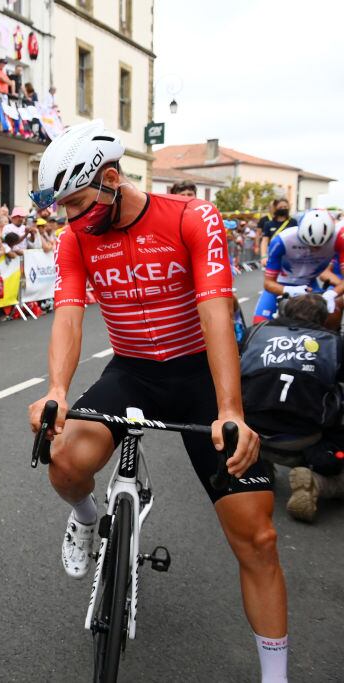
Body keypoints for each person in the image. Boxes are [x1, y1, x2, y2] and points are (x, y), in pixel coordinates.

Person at [27, 120, 288, 682]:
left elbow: (216, 310)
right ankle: (87, 517)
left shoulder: (193, 218)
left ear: (113, 179)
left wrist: (231, 410)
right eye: (62, 210)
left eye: (77, 204)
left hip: (197, 376)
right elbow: (69, 313)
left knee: (259, 537)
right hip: (132, 373)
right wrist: (56, 392)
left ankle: (276, 675)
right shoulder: (77, 239)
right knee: (64, 459)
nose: (70, 221)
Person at [239, 294, 344, 523]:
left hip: (250, 434)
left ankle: (259, 465)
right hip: (305, 441)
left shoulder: (255, 332)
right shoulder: (334, 343)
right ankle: (316, 481)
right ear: (323, 319)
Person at [252, 210, 344, 323]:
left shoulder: (340, 239)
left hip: (309, 285)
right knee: (259, 324)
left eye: (321, 245)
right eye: (308, 244)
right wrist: (290, 290)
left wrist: (332, 293)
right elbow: (268, 283)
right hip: (280, 284)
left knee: (331, 317)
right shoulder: (282, 240)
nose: (314, 249)